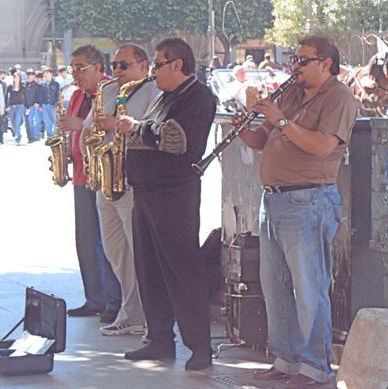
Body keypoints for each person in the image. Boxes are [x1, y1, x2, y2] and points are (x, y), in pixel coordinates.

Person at [233, 36, 357, 388]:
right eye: (294, 59)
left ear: (327, 64)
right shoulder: (290, 93)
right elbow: (261, 141)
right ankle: (286, 359)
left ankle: (317, 368)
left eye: (303, 60)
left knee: (309, 287)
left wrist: (282, 120)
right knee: (275, 285)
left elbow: (322, 146)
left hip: (309, 200)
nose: (295, 66)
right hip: (273, 200)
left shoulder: (339, 97)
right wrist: (243, 126)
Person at [116, 37, 216, 371]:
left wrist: (135, 127)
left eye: (158, 64)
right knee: (150, 269)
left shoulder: (199, 97)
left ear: (177, 64)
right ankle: (158, 340)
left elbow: (177, 140)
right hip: (146, 193)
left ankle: (199, 347)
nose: (153, 71)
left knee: (182, 270)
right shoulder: (163, 96)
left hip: (174, 194)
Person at [81, 43, 159, 337]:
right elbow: (89, 129)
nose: (117, 71)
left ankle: (152, 318)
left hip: (133, 180)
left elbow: (155, 128)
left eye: (123, 65)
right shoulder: (108, 91)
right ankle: (131, 312)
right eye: (114, 66)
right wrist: (90, 145)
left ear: (143, 65)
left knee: (140, 250)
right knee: (116, 252)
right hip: (107, 180)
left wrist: (119, 124)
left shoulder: (154, 91)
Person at [58, 45, 122, 324]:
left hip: (104, 173)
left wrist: (77, 124)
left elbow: (109, 125)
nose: (75, 73)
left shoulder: (112, 90)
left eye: (80, 67)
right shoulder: (75, 95)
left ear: (98, 68)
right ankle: (93, 298)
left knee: (107, 242)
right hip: (81, 174)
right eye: (72, 68)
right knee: (85, 241)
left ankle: (113, 300)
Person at [5, 72, 29, 145]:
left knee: (17, 122)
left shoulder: (23, 87)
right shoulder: (10, 87)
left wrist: (27, 107)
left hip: (20, 106)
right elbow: (6, 96)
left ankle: (17, 138)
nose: (16, 79)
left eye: (18, 77)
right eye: (15, 77)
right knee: (12, 123)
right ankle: (17, 134)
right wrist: (6, 106)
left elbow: (25, 97)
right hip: (12, 106)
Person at [39, 67, 59, 138]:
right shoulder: (42, 84)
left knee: (55, 122)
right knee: (47, 122)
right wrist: (40, 105)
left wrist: (57, 105)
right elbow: (40, 95)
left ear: (51, 73)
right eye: (44, 73)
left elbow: (58, 94)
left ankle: (56, 136)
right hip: (45, 105)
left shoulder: (56, 84)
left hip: (53, 105)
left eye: (47, 73)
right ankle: (50, 137)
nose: (45, 75)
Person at [24, 69, 42, 143]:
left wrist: (37, 102)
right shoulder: (23, 84)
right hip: (25, 105)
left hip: (33, 105)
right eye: (30, 76)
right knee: (27, 122)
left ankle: (36, 135)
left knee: (34, 120)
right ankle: (30, 136)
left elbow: (39, 95)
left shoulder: (36, 85)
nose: (31, 78)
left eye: (32, 76)